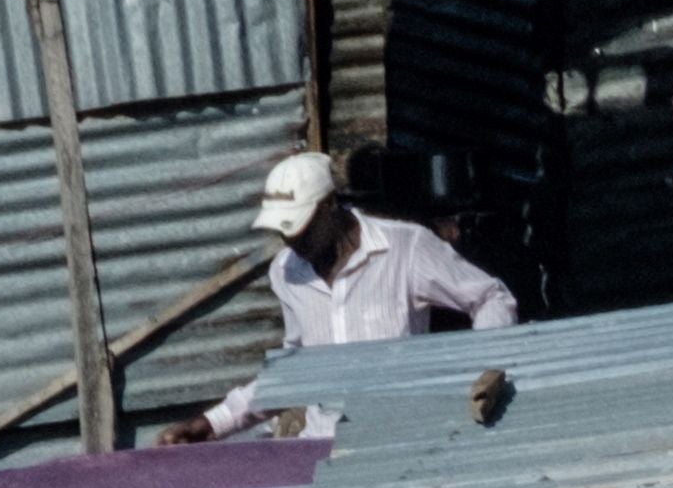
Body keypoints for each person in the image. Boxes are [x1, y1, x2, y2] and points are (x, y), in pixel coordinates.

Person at [199, 149, 521, 440]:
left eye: (300, 227)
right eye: (282, 231)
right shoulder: (286, 272)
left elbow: (489, 297)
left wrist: (488, 366)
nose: (291, 241)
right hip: (323, 447)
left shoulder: (405, 248)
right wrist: (215, 422)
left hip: (399, 441)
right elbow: (296, 369)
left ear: (329, 206)